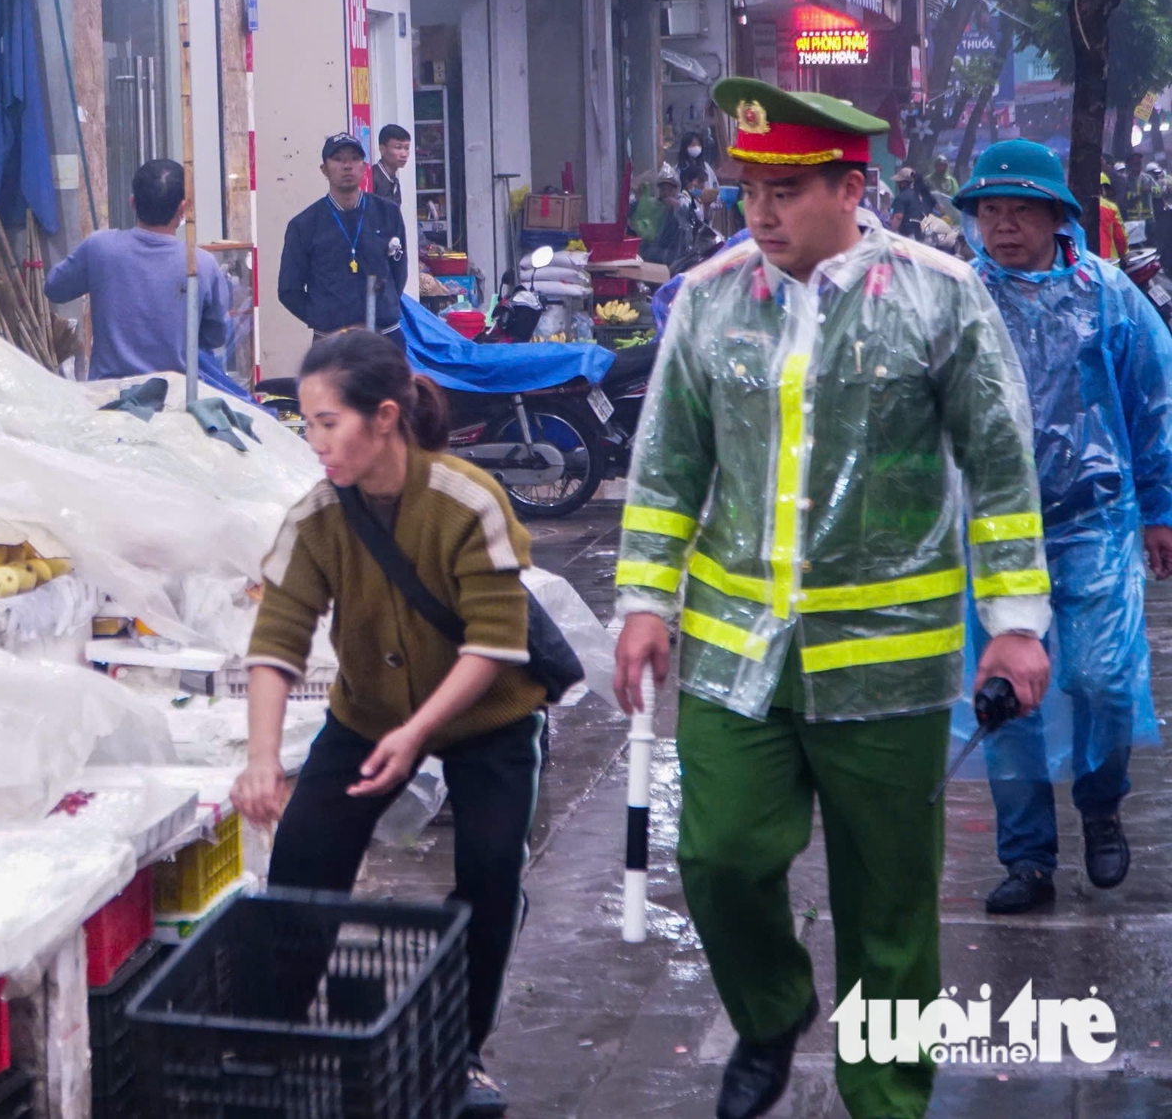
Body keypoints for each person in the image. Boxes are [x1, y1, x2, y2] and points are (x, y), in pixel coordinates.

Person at [611, 78, 1050, 1119]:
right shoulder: (709, 298)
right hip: (736, 651)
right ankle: (769, 1010)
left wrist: (1014, 626)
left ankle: (885, 1100)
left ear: (850, 189)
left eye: (786, 190)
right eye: (748, 190)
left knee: (888, 909)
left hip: (889, 665)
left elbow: (998, 466)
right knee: (716, 855)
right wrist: (643, 600)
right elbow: (667, 465)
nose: (760, 213)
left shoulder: (939, 296)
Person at [232, 329, 544, 1116]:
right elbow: (277, 638)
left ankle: (462, 1051)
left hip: (489, 720)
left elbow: (496, 643)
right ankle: (266, 1050)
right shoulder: (317, 516)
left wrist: (417, 734)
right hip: (366, 714)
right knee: (303, 857)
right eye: (307, 424)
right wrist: (262, 757)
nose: (315, 442)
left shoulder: (468, 501)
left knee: (489, 870)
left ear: (383, 418)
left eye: (327, 422)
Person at [952, 140, 1172, 913]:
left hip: (1095, 519)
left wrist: (1161, 508)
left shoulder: (1107, 295)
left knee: (1104, 679)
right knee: (1006, 693)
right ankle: (1027, 856)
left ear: (1057, 217)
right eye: (990, 211)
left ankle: (1101, 802)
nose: (1003, 226)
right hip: (993, 526)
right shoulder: (961, 299)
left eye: (1020, 211)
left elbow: (1154, 401)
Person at [45, 158, 231, 380]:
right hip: (175, 393)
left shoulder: (100, 248)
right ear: (183, 209)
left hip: (108, 393)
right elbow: (217, 335)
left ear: (132, 202)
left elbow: (54, 288)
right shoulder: (201, 264)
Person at [277, 133, 408, 346]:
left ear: (364, 167)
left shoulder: (388, 213)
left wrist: (386, 306)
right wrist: (322, 317)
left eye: (354, 159)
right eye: (338, 159)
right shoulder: (304, 225)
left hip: (384, 336)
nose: (347, 166)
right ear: (324, 169)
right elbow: (289, 290)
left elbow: (399, 272)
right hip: (331, 340)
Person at [372, 123, 411, 210]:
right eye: (398, 147)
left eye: (407, 148)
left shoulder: (394, 180)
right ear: (382, 149)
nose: (404, 154)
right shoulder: (372, 178)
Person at [887, 167, 932, 238]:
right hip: (921, 235)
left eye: (898, 182)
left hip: (906, 236)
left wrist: (890, 234)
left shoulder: (901, 198)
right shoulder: (918, 196)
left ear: (903, 183)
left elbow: (898, 217)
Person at [1099, 172, 1127, 261]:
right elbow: (1120, 237)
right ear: (1102, 188)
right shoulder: (1111, 208)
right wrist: (1123, 254)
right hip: (1109, 262)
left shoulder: (1075, 207)